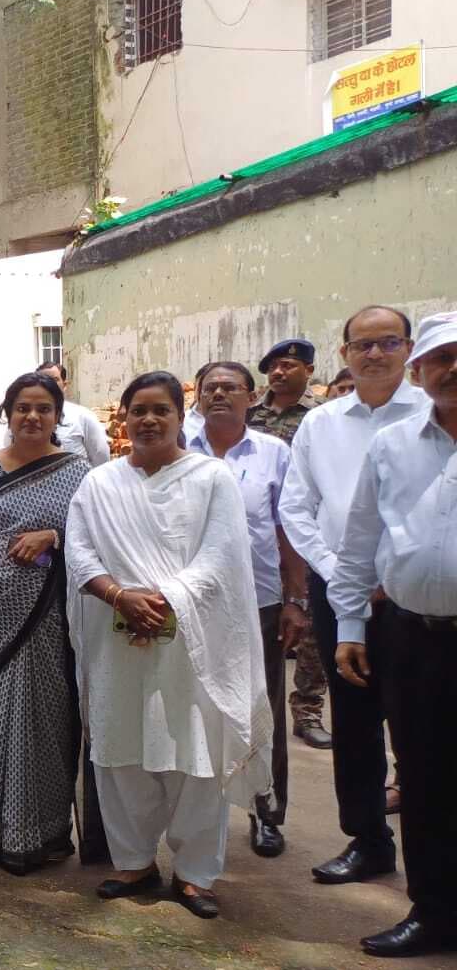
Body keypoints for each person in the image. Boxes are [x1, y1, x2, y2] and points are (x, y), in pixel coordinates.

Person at [66, 371, 273, 920]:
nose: (150, 419)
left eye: (161, 410)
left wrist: (161, 600)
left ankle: (195, 872)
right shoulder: (99, 484)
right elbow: (79, 553)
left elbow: (223, 555)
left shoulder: (210, 478)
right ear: (124, 419)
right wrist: (118, 596)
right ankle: (133, 862)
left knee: (193, 752)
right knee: (120, 750)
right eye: (139, 410)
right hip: (115, 636)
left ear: (182, 419)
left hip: (191, 641)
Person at [279, 306, 428, 885]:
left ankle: (432, 862)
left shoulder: (431, 416)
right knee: (355, 720)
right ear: (343, 355)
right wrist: (338, 571)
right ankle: (367, 840)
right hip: (338, 589)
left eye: (387, 342)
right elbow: (297, 505)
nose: (373, 354)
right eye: (361, 345)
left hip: (411, 596)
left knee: (418, 723)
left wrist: (392, 574)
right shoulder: (323, 424)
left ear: (408, 349)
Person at [331, 312, 457, 958]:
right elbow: (359, 542)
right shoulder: (394, 445)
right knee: (427, 780)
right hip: (412, 637)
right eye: (443, 357)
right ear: (421, 369)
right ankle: (434, 912)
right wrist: (350, 624)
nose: (453, 367)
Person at [0, 373, 89, 874]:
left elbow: (99, 535)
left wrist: (53, 534)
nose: (33, 416)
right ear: (7, 414)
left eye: (44, 408)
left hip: (54, 613)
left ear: (57, 416)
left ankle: (43, 831)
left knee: (48, 715)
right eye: (23, 407)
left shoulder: (79, 471)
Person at [188, 362, 309, 860]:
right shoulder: (177, 450)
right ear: (196, 396)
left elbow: (289, 531)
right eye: (210, 387)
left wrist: (295, 600)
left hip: (258, 601)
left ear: (250, 396)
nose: (219, 394)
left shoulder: (274, 454)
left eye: (229, 387)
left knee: (261, 709)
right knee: (194, 706)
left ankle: (266, 811)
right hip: (191, 603)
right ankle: (196, 811)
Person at [249, 337, 331, 751]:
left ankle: (308, 710)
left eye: (289, 366)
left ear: (309, 372)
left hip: (306, 533)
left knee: (310, 624)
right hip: (260, 535)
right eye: (274, 367)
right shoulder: (249, 414)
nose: (279, 373)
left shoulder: (322, 418)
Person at [35, 362, 112, 468]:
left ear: (65, 385)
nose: (48, 385)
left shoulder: (83, 417)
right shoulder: (27, 420)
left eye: (54, 380)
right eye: (42, 381)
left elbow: (101, 459)